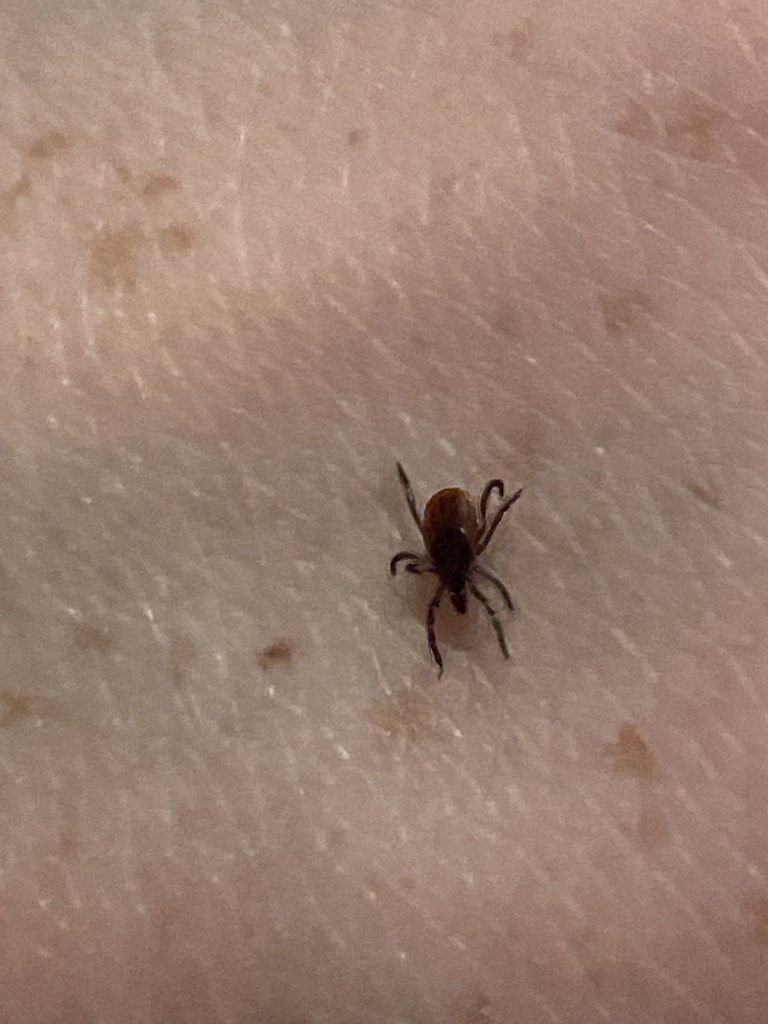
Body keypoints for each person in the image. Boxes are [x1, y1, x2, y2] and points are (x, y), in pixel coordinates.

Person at [2, 1, 766, 1021]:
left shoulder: (439, 558)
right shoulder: (461, 562)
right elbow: (466, 527)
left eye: (453, 579)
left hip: (440, 496)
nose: (454, 582)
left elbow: (446, 528)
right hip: (448, 497)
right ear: (446, 571)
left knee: (449, 511)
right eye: (453, 581)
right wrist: (480, 536)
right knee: (461, 521)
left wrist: (464, 533)